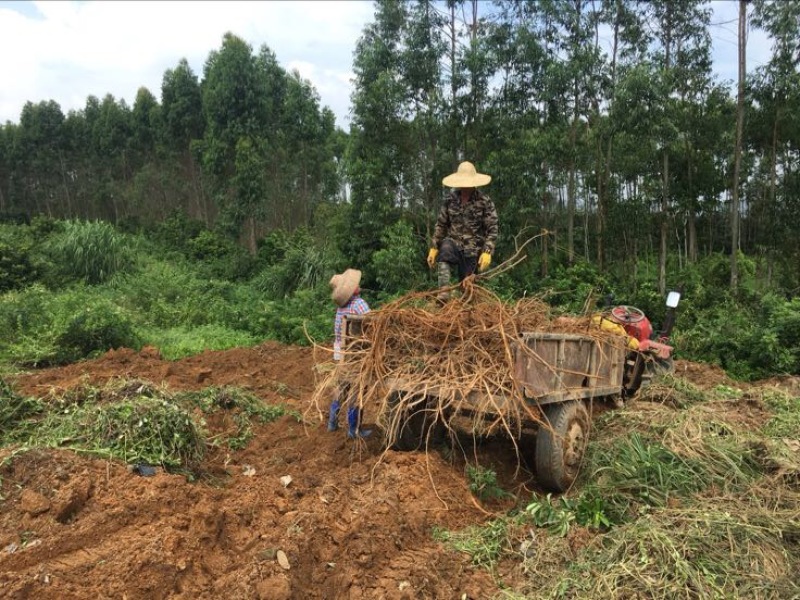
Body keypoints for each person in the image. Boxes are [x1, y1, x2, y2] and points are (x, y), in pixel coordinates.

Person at [427, 161, 498, 298]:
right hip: (454, 244)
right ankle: (444, 290)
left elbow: (492, 228)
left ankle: (463, 300)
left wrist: (487, 251)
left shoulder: (484, 201)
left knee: (466, 289)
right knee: (446, 247)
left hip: (473, 250)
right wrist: (434, 247)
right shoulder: (450, 200)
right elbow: (441, 225)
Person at [327, 268, 372, 438]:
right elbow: (373, 325)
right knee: (356, 389)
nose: (358, 285)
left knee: (341, 386)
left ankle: (332, 422)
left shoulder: (340, 310)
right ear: (353, 290)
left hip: (341, 354)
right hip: (356, 355)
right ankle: (354, 429)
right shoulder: (359, 304)